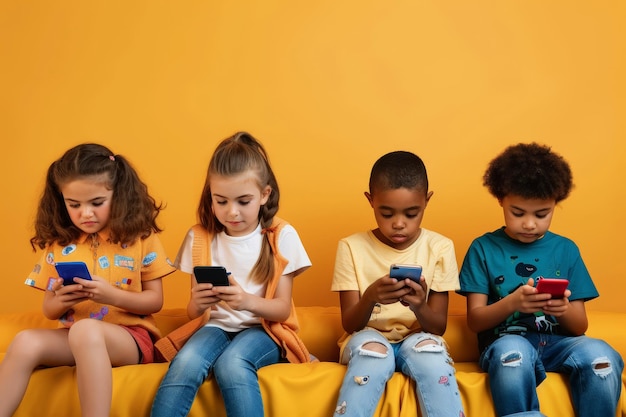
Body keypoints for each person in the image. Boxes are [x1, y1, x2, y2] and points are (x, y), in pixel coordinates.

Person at [0, 143, 176, 417]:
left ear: (118, 196)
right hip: (75, 337)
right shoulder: (59, 245)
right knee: (25, 341)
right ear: (62, 201)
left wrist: (111, 296)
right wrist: (60, 300)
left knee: (85, 332)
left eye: (96, 203)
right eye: (74, 204)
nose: (86, 213)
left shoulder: (141, 238)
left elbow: (155, 301)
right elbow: (49, 310)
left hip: (130, 339)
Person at [151, 131, 313, 417]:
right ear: (210, 196)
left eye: (243, 201)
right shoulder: (199, 237)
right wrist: (199, 303)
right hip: (215, 327)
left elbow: (282, 309)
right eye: (221, 201)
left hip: (264, 330)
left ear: (264, 195)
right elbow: (193, 314)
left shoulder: (280, 235)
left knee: (232, 363)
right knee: (185, 361)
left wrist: (245, 300)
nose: (232, 212)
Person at [458, 142, 624, 417]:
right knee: (513, 356)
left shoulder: (566, 249)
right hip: (506, 342)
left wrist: (562, 309)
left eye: (541, 214)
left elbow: (580, 326)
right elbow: (475, 320)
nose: (530, 224)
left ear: (555, 204)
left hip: (560, 344)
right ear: (501, 199)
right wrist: (513, 302)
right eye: (518, 213)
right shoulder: (483, 248)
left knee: (601, 357)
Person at [331, 151, 465, 417]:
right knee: (374, 354)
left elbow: (438, 327)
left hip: (419, 337)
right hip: (367, 336)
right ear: (371, 201)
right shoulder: (351, 247)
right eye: (387, 213)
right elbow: (350, 324)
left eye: (412, 213)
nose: (399, 224)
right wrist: (370, 297)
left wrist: (419, 305)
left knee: (431, 356)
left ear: (426, 201)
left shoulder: (440, 247)